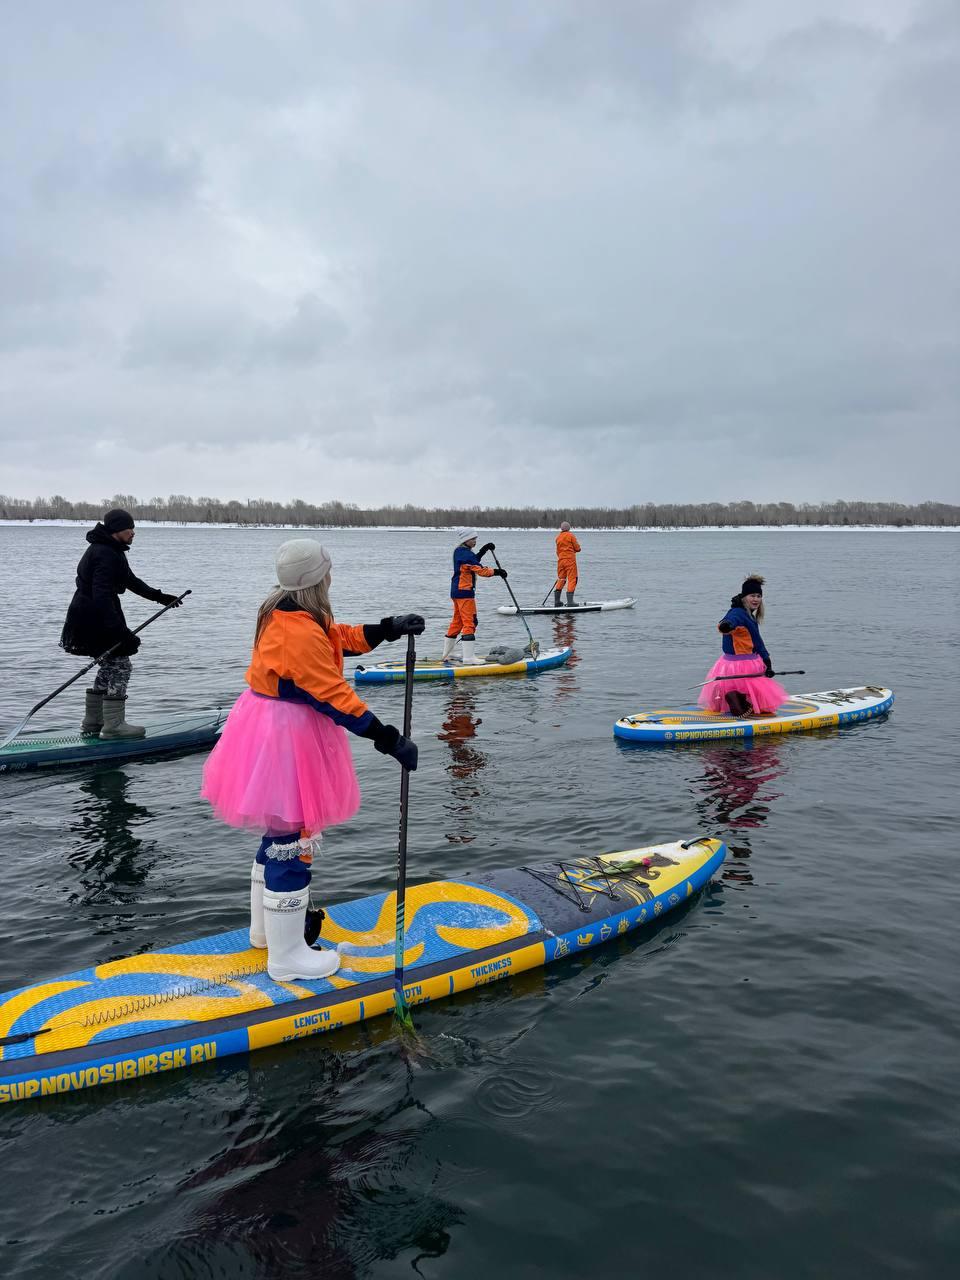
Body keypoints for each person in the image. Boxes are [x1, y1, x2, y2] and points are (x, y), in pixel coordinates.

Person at [201, 538, 424, 982]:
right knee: (294, 837)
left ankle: (266, 934)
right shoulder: (298, 630)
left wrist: (385, 629)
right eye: (327, 570)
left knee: (279, 829)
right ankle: (288, 958)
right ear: (316, 578)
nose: (331, 576)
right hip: (288, 737)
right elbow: (333, 694)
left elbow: (334, 638)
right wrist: (387, 738)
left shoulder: (284, 610)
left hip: (267, 727)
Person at [59, 508, 181, 740]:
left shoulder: (110, 550)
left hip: (90, 614)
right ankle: (114, 726)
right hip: (95, 617)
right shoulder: (104, 553)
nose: (133, 533)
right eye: (129, 529)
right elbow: (102, 595)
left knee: (109, 664)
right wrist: (121, 632)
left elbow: (130, 580)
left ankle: (94, 721)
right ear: (117, 530)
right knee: (121, 665)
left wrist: (161, 597)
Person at [697, 575, 789, 718]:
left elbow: (757, 641)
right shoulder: (738, 613)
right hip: (745, 663)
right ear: (744, 597)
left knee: (749, 697)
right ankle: (737, 700)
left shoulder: (748, 615)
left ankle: (736, 699)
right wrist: (726, 626)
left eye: (759, 596)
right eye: (752, 595)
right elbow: (728, 622)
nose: (756, 599)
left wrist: (767, 662)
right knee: (763, 705)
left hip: (728, 664)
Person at [439, 529, 506, 665]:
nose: (475, 541)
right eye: (472, 539)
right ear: (465, 540)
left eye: (476, 539)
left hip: (456, 591)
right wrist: (498, 572)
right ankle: (469, 658)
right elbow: (481, 570)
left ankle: (448, 654)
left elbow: (473, 561)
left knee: (457, 622)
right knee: (470, 622)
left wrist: (484, 549)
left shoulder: (460, 551)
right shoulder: (465, 554)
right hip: (464, 593)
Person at [554, 521, 581, 606]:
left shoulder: (558, 537)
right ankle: (570, 602)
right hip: (570, 560)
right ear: (568, 528)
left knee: (561, 579)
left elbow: (557, 551)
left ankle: (557, 601)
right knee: (572, 579)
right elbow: (577, 548)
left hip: (561, 561)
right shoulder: (570, 535)